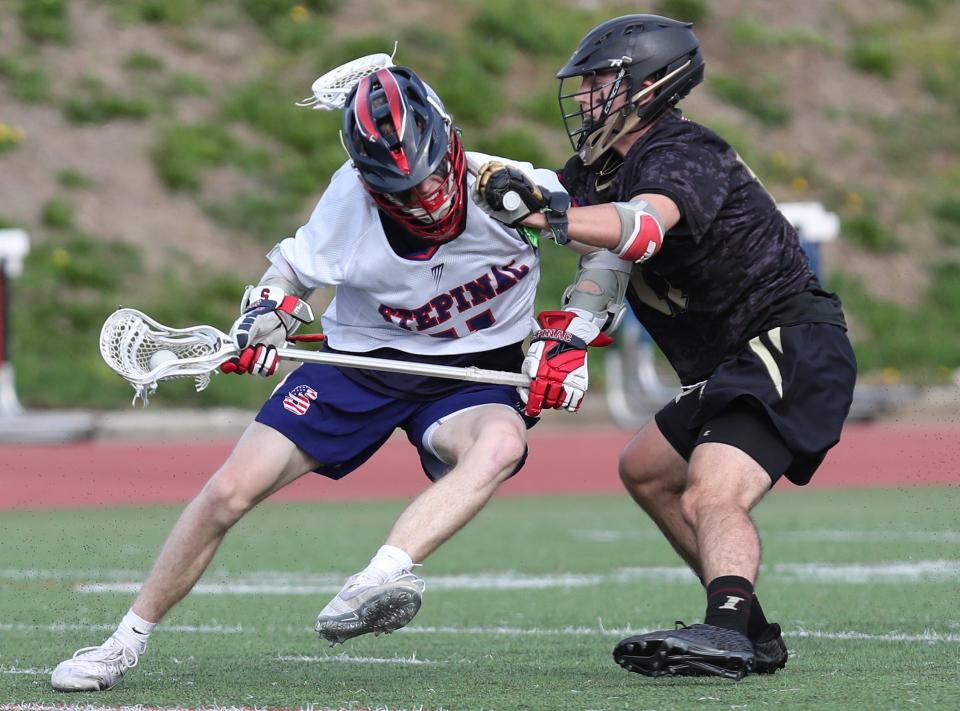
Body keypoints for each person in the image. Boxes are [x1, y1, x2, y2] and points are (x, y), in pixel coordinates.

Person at [50, 65, 618, 692]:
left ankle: (377, 581)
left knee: (502, 447)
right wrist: (267, 318)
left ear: (452, 147)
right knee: (228, 491)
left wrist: (572, 332)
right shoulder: (351, 197)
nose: (422, 200)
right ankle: (123, 642)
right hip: (362, 365)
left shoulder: (510, 190)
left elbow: (608, 243)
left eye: (429, 178)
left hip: (475, 374)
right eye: (398, 190)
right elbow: (287, 279)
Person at [472, 14, 857, 680]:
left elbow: (643, 231)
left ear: (649, 86)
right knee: (646, 469)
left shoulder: (683, 150)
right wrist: (568, 339)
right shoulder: (596, 170)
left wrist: (545, 213)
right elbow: (606, 264)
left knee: (710, 491)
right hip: (730, 361)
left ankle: (727, 630)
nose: (585, 96)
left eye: (599, 82)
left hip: (787, 340)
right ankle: (751, 633)